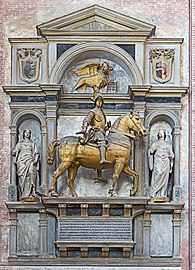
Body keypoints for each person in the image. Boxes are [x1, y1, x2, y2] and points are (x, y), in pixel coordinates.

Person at [80, 94, 111, 164]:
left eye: (101, 101)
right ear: (95, 102)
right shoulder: (93, 111)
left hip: (102, 132)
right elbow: (87, 119)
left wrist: (107, 127)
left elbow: (102, 127)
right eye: (98, 101)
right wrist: (85, 128)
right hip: (96, 131)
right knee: (102, 141)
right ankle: (103, 158)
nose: (99, 102)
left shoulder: (102, 112)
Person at [12, 129, 40, 200]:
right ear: (23, 134)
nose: (27, 134)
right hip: (21, 161)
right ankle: (23, 193)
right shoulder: (19, 144)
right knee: (21, 176)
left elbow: (36, 153)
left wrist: (35, 160)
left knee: (31, 174)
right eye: (26, 133)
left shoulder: (32, 144)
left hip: (30, 160)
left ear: (30, 135)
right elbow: (15, 151)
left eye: (28, 133)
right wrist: (14, 151)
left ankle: (30, 193)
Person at [148, 130, 174, 199]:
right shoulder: (155, 144)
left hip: (166, 162)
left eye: (162, 132)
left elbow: (171, 154)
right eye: (159, 132)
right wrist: (150, 153)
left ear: (164, 134)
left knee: (165, 178)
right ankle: (154, 192)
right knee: (158, 174)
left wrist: (171, 156)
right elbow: (151, 151)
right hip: (158, 161)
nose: (160, 133)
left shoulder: (167, 144)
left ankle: (163, 194)